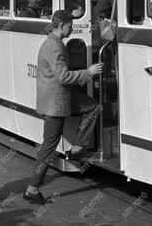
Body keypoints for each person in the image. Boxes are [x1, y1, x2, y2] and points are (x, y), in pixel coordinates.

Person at [24, 10, 103, 204]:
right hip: (56, 104)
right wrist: (89, 72)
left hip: (57, 99)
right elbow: (63, 77)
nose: (72, 28)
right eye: (70, 26)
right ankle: (32, 190)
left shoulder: (51, 42)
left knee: (92, 106)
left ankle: (77, 147)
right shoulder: (55, 46)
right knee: (48, 148)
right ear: (62, 26)